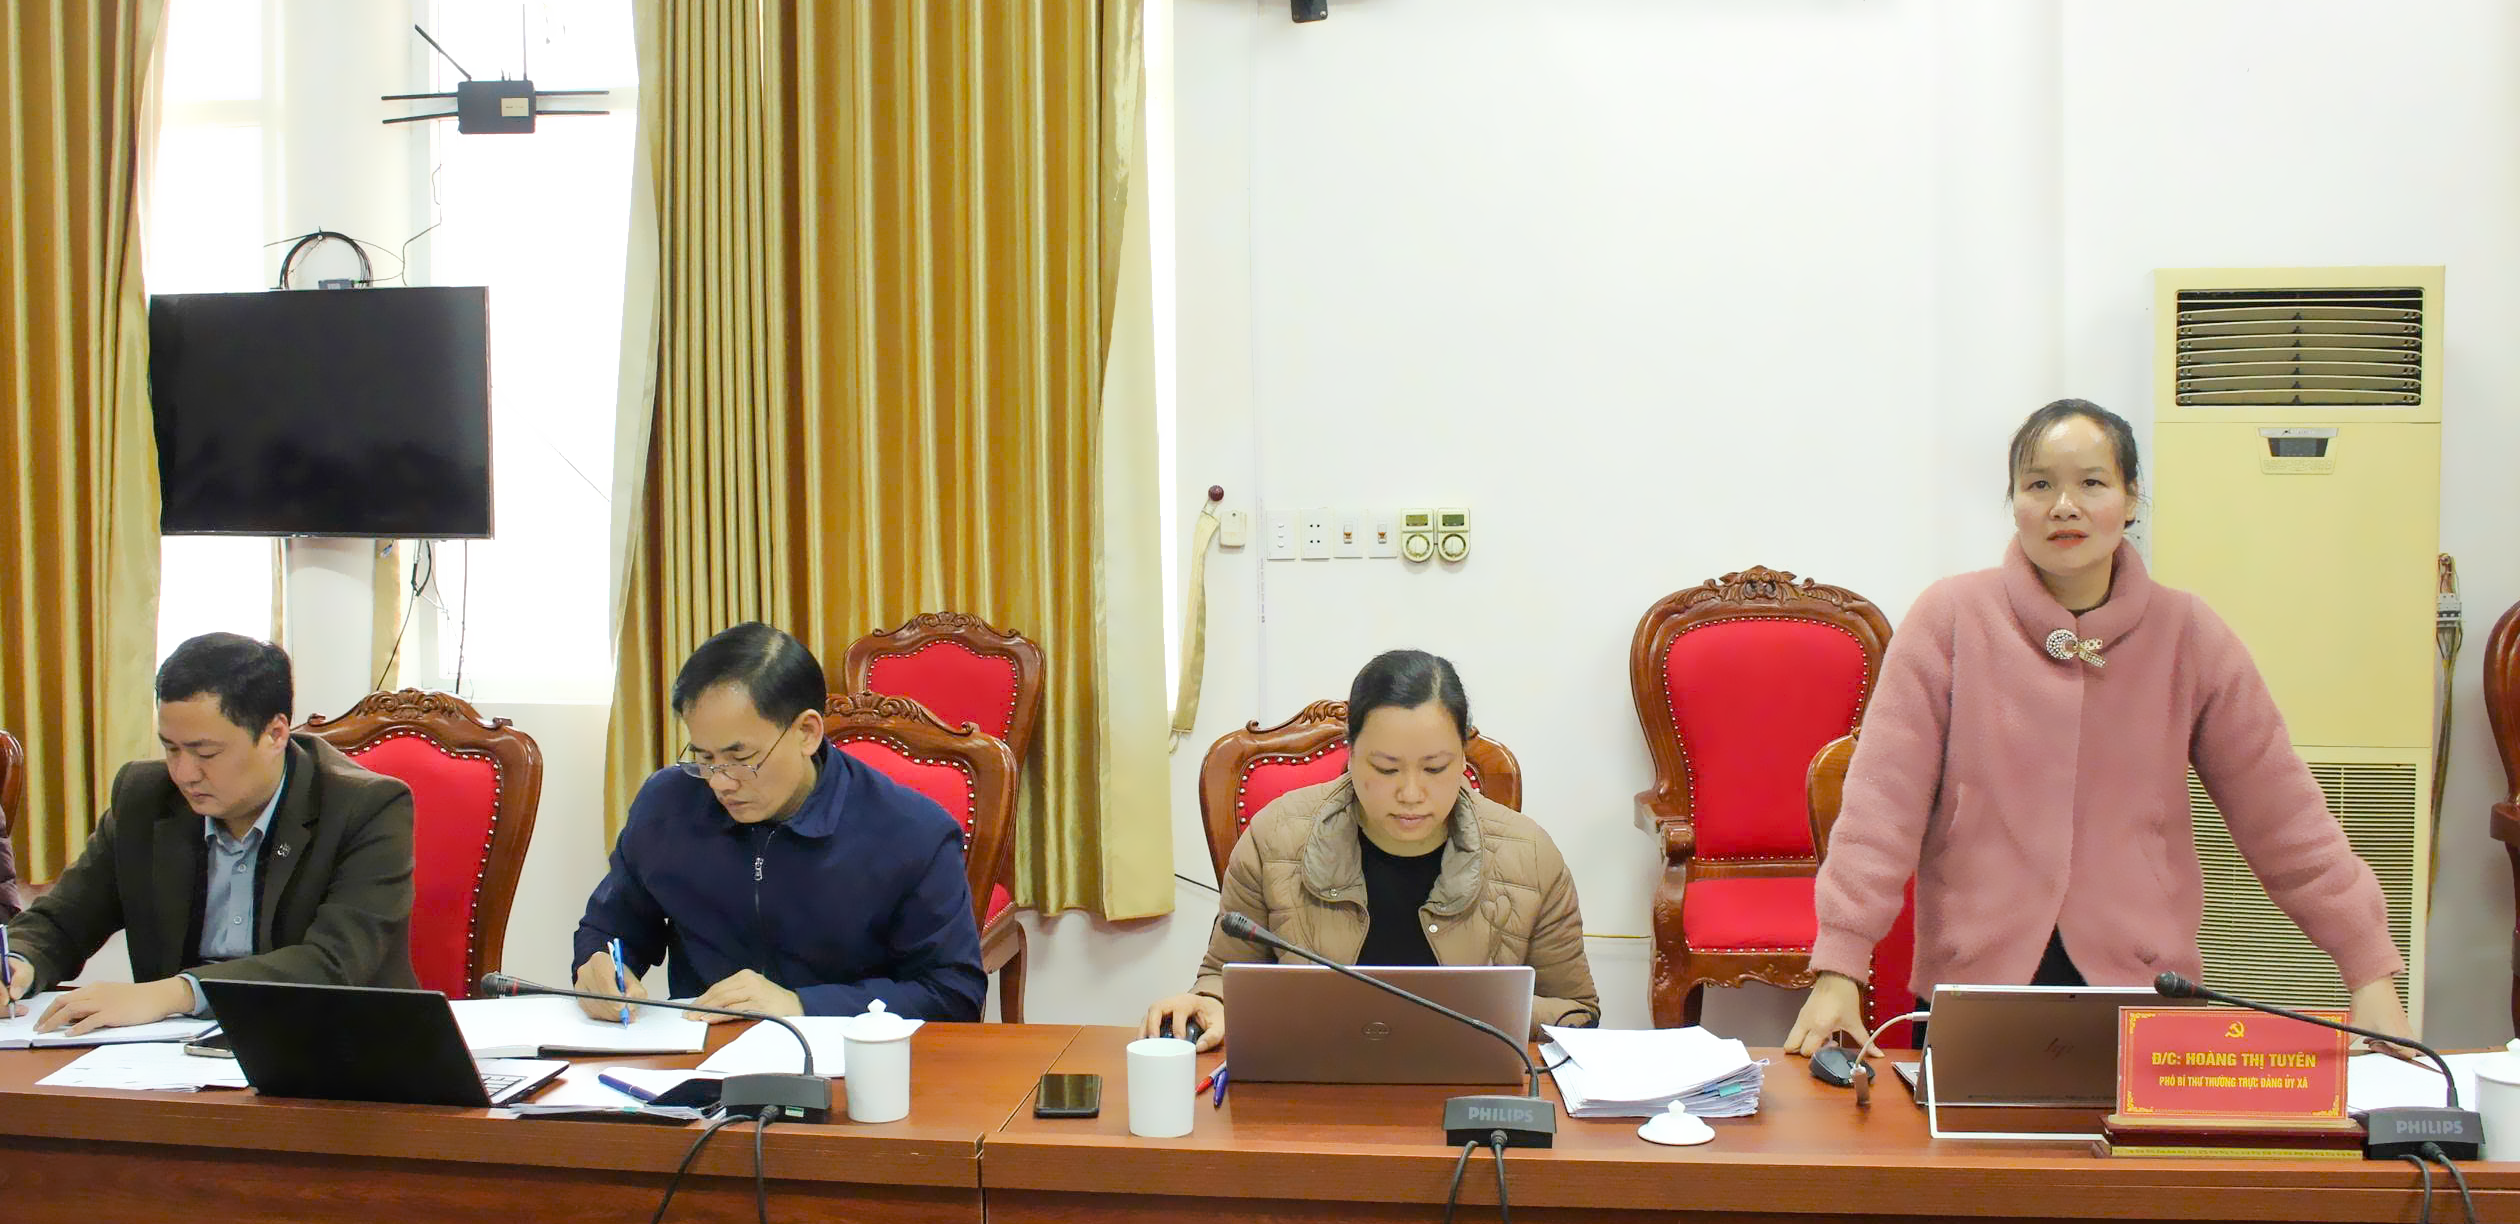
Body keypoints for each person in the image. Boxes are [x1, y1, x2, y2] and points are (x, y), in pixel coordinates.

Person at [1783, 399, 2413, 1059]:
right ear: (2014, 502)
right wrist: (1839, 966)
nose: (2065, 506)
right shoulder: (1951, 618)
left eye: (2091, 482)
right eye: (2039, 484)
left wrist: (2369, 971)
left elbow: (2284, 816)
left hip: (2144, 984)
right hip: (1977, 984)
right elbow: (1882, 805)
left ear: (2131, 498)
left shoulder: (2188, 634)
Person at [1143, 649, 1599, 1052]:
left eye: (1435, 768)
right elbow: (1224, 977)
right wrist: (1207, 1004)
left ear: (1463, 756)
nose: (1411, 793)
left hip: (1470, 1096)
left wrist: (1469, 1011)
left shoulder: (1531, 856)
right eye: (1385, 769)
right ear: (1351, 753)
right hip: (1308, 1088)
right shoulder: (1275, 838)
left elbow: (1577, 1012)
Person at [1, 633, 418, 1033]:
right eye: (171, 748)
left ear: (275, 734)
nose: (184, 774)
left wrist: (177, 993)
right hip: (166, 1053)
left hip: (329, 1041)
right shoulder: (144, 797)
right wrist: (19, 962)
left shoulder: (365, 807)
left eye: (206, 753)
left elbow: (334, 964)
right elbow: (64, 920)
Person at [571, 622, 985, 1022]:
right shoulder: (667, 805)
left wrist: (802, 1005)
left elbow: (954, 994)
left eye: (741, 758)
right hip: (702, 1053)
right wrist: (598, 963)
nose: (720, 783)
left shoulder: (911, 832)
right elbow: (610, 926)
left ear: (807, 732)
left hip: (848, 1056)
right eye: (705, 758)